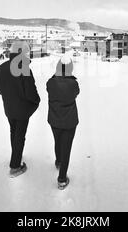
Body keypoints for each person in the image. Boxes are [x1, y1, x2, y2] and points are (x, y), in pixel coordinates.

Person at [0, 41, 40, 178]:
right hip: (22, 110)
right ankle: (15, 166)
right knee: (20, 135)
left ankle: (16, 155)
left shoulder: (2, 67)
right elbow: (30, 93)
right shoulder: (24, 68)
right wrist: (37, 101)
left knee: (13, 132)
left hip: (9, 109)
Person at [46, 56, 80, 190]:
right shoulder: (73, 84)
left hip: (54, 120)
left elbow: (50, 89)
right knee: (67, 147)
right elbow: (76, 93)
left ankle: (58, 162)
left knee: (57, 141)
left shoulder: (50, 82)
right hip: (69, 121)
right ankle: (61, 179)